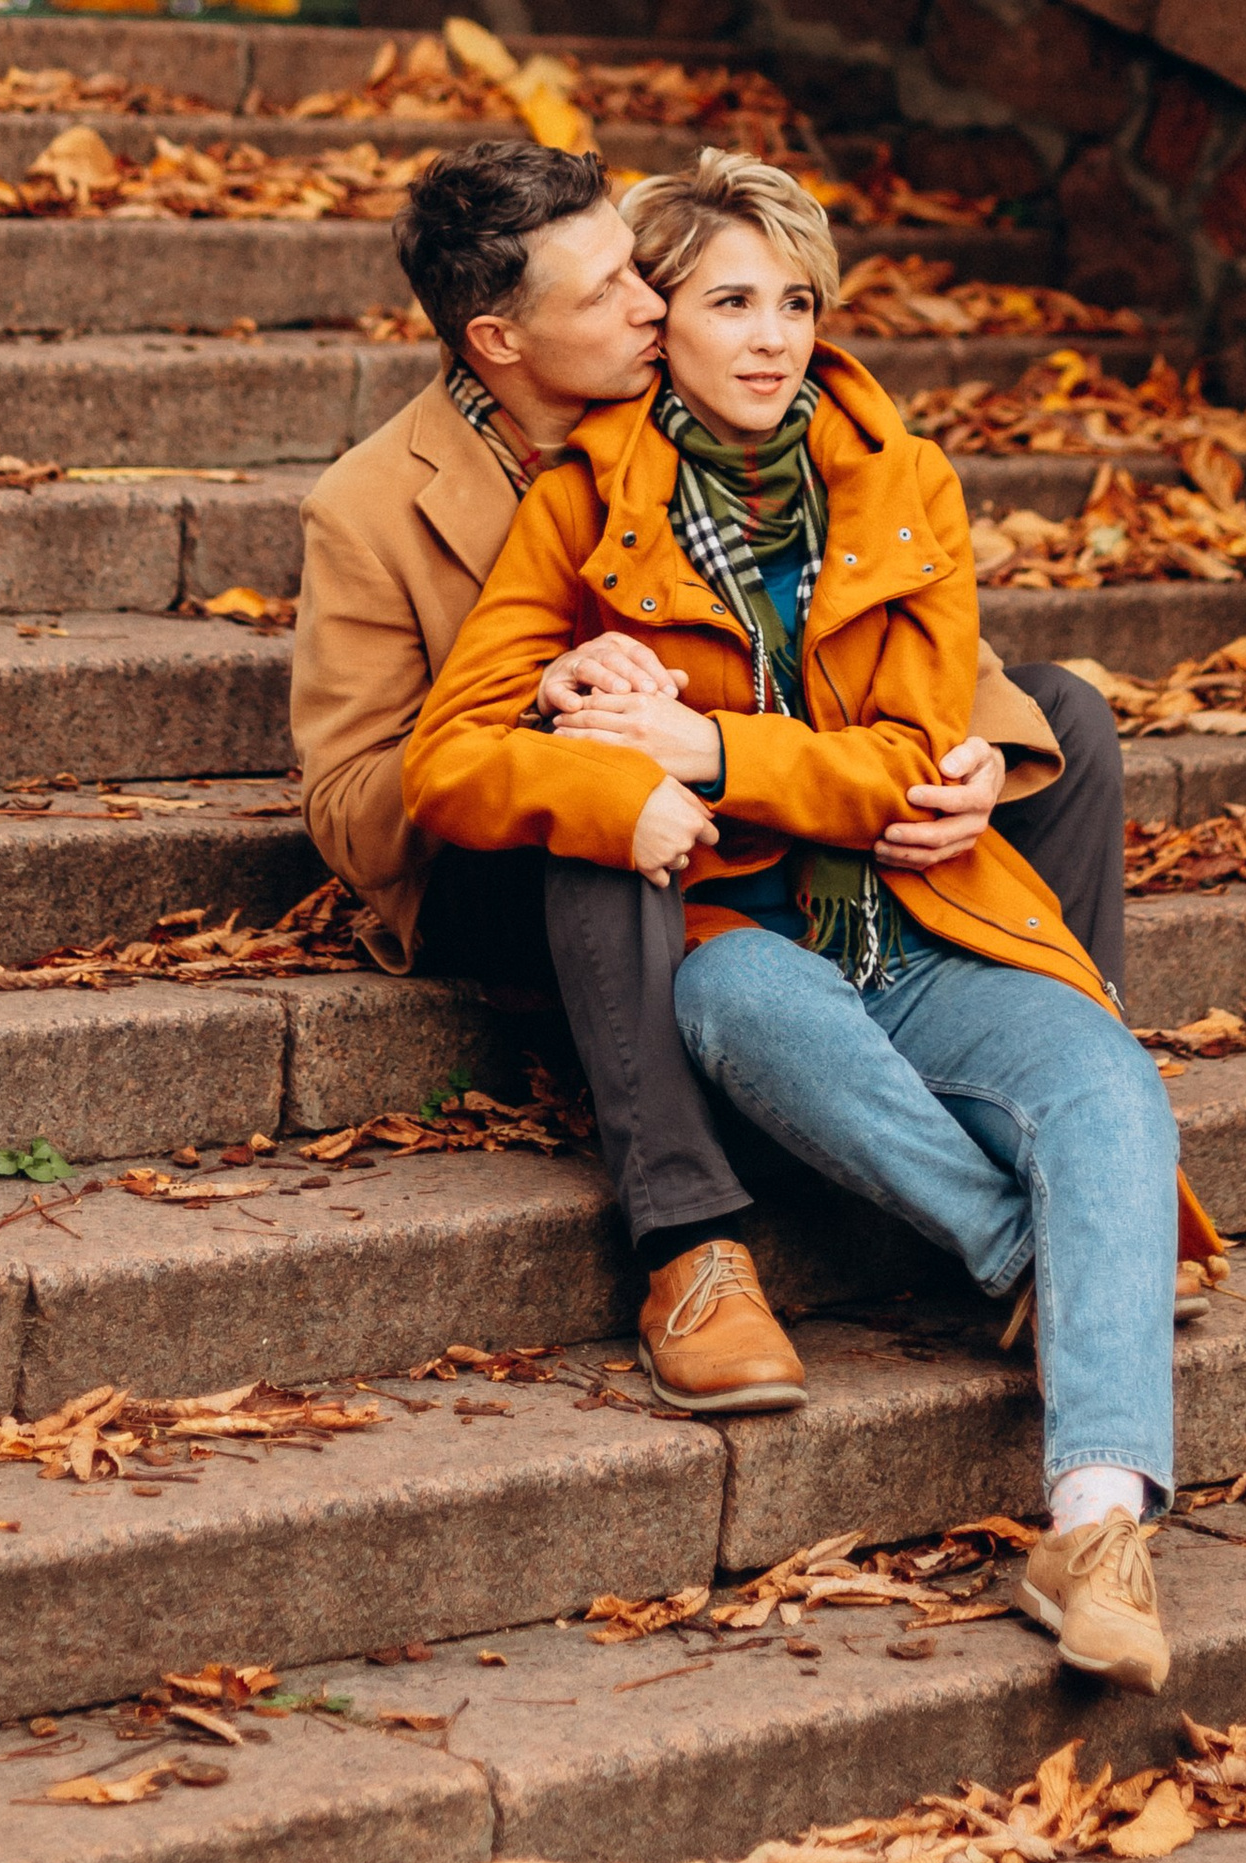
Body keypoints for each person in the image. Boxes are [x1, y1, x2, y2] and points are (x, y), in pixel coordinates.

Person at [404, 148, 1215, 1697]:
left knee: (1108, 1082)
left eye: (796, 300)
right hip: (738, 935)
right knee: (752, 1014)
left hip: (918, 908)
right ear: (660, 319)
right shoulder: (582, 502)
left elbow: (914, 757)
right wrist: (595, 752)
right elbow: (442, 757)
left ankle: (1098, 1530)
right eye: (727, 300)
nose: (772, 335)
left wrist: (710, 748)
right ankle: (1031, 1246)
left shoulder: (901, 480)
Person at [293, 136, 1138, 1416]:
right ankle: (687, 1241)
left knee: (1059, 718)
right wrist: (549, 697)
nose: (649, 301)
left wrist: (970, 752)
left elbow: (831, 625)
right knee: (608, 798)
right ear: (499, 341)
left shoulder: (700, 417)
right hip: (511, 860)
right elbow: (353, 806)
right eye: (608, 295)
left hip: (732, 801)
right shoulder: (371, 506)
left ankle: (1051, 1102)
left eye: (644, 274)